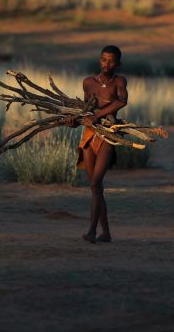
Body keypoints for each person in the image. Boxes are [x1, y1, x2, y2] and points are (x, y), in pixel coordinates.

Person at [64, 45, 127, 244]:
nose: (106, 64)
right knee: (96, 188)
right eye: (103, 60)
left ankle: (91, 231)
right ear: (99, 60)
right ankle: (106, 233)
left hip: (108, 136)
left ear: (118, 63)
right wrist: (73, 121)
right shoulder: (88, 83)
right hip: (89, 136)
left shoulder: (119, 81)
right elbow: (85, 111)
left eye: (111, 61)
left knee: (95, 183)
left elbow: (122, 102)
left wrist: (98, 115)